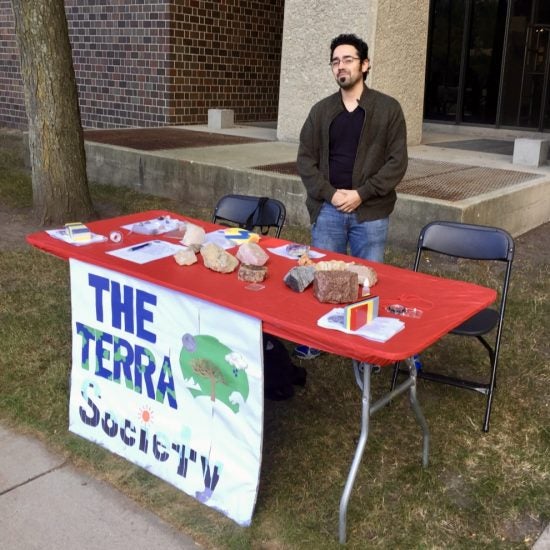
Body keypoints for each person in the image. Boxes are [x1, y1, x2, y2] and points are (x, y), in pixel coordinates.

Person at [294, 33, 408, 360]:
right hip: (328, 210)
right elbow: (305, 160)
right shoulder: (321, 111)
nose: (340, 66)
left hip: (370, 212)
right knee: (325, 278)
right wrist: (330, 195)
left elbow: (396, 162)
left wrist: (362, 194)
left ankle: (366, 343)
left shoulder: (387, 110)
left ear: (365, 64)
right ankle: (318, 337)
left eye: (348, 59)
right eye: (335, 61)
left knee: (368, 280)